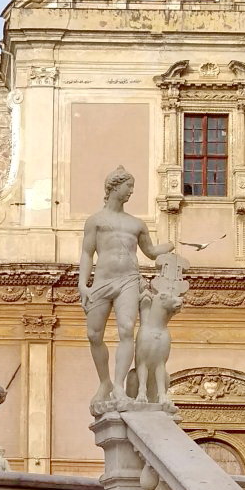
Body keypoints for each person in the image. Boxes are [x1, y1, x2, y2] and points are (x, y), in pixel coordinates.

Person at [79, 167, 175, 408]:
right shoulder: (95, 221)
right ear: (115, 186)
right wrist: (83, 284)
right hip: (103, 280)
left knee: (126, 330)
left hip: (129, 280)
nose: (131, 191)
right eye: (128, 186)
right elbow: (87, 253)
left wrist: (169, 245)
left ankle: (119, 386)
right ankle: (105, 382)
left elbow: (150, 252)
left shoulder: (136, 224)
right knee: (94, 335)